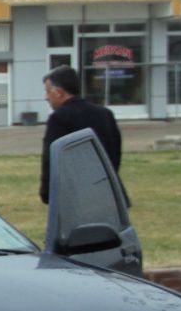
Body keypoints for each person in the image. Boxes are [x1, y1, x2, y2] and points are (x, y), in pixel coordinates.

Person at [39, 64, 123, 205]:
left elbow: (52, 159)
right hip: (109, 195)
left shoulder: (59, 118)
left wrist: (47, 193)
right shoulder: (105, 114)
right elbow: (115, 153)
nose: (46, 97)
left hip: (75, 198)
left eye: (48, 92)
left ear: (59, 92)